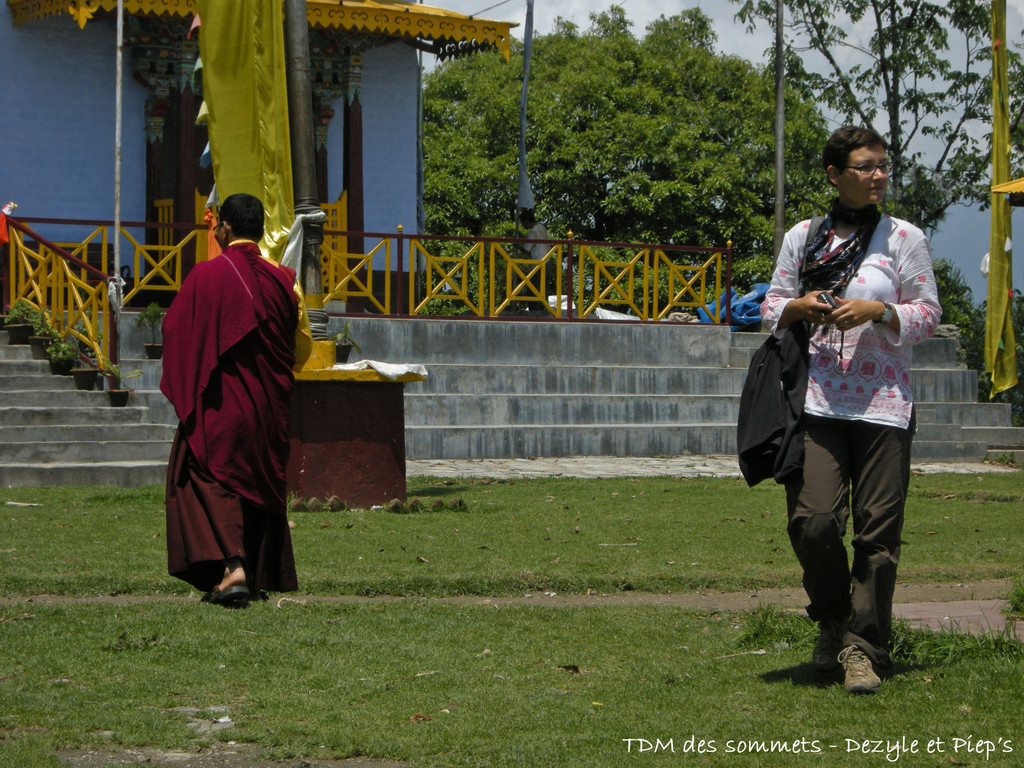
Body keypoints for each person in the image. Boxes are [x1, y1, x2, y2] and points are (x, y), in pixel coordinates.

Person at [761, 126, 941, 693]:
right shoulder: (803, 236)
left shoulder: (905, 238)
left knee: (877, 538)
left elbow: (929, 314)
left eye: (883, 165)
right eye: (866, 167)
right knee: (813, 522)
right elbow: (769, 308)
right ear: (836, 175)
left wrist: (878, 310)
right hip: (815, 402)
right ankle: (834, 621)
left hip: (885, 407)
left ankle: (863, 650)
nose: (879, 175)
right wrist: (801, 305)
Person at [161, 193, 311, 608]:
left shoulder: (207, 276)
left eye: (216, 225)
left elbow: (174, 330)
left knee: (197, 471)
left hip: (223, 404)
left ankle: (233, 569)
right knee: (256, 483)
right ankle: (255, 577)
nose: (214, 230)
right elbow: (301, 350)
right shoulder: (285, 281)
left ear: (225, 228)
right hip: (271, 407)